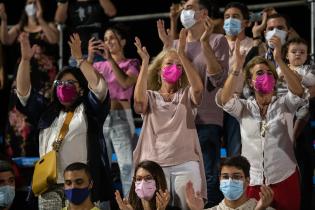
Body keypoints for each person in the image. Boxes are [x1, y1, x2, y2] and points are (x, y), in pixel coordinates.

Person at [15, 32, 112, 210]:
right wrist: (25, 60)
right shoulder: (47, 113)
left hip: (81, 185)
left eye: (70, 83)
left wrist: (79, 59)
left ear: (81, 89)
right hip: (49, 187)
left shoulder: (89, 109)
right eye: (60, 83)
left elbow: (99, 87)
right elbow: (23, 94)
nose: (63, 86)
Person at [216, 35, 307, 210]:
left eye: (269, 73)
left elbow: (298, 91)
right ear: (251, 82)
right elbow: (224, 99)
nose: (265, 76)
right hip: (253, 181)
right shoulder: (244, 108)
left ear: (274, 80)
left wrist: (279, 60)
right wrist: (237, 67)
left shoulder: (285, 104)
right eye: (259, 73)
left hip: (285, 177)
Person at [157, 0, 229, 207]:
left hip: (207, 118)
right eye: (183, 8)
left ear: (203, 13)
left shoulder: (217, 40)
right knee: (179, 175)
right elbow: (165, 80)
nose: (184, 12)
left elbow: (220, 81)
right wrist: (167, 47)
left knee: (208, 173)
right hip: (178, 120)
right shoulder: (177, 44)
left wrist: (205, 44)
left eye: (189, 8)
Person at [133, 29, 206, 210]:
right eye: (169, 64)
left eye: (179, 65)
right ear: (159, 71)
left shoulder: (186, 94)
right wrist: (144, 62)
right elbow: (138, 104)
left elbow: (198, 90)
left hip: (186, 164)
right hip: (154, 166)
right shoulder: (149, 96)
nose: (174, 68)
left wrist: (182, 54)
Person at [0, 0, 59, 158]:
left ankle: (44, 154)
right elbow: (5, 40)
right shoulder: (20, 28)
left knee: (42, 113)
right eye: (29, 2)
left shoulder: (48, 24)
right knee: (19, 114)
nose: (31, 5)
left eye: (34, 2)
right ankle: (20, 157)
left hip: (44, 78)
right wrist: (4, 20)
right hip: (24, 74)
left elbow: (54, 39)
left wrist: (40, 18)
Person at [88, 24, 139, 197]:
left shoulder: (131, 63)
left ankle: (130, 204)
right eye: (106, 38)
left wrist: (110, 60)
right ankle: (103, 203)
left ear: (123, 41)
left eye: (112, 38)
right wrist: (89, 56)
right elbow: (85, 79)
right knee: (102, 164)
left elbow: (125, 83)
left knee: (127, 165)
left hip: (122, 118)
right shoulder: (99, 65)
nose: (108, 41)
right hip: (101, 118)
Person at [282, 37, 315, 210]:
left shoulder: (307, 70)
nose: (298, 55)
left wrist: (288, 73)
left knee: (304, 165)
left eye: (302, 52)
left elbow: (308, 86)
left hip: (301, 118)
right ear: (286, 55)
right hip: (280, 117)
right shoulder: (278, 70)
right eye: (294, 52)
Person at [222, 2, 254, 157]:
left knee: (235, 152)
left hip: (239, 104)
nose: (230, 20)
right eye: (227, 17)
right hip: (215, 105)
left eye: (235, 17)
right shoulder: (216, 43)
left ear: (246, 22)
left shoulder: (254, 45)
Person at [186, 156, 275, 210]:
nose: (230, 181)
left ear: (247, 180)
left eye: (236, 177)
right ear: (219, 180)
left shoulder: (265, 208)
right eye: (225, 177)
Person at [54, 0, 117, 66]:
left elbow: (111, 12)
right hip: (77, 55)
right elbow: (59, 20)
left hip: (99, 53)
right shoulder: (69, 3)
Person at [115, 160, 182, 210]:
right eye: (139, 179)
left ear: (158, 181)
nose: (143, 183)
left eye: (148, 178)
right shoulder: (127, 208)